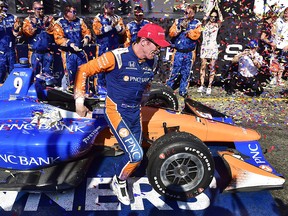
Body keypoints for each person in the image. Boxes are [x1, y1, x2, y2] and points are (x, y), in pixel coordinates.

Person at [74, 23, 170, 205]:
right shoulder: (116, 57)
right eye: (156, 45)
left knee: (133, 152)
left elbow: (147, 82)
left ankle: (120, 175)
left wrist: (146, 96)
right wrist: (80, 101)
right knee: (136, 155)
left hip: (135, 112)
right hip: (116, 110)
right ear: (143, 41)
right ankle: (119, 182)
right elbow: (84, 70)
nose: (158, 50)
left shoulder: (153, 61)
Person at [166, 4, 201, 98]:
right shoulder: (178, 21)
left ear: (193, 13)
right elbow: (171, 33)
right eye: (186, 12)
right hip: (178, 51)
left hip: (189, 52)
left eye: (189, 12)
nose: (186, 14)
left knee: (186, 73)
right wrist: (180, 28)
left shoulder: (197, 23)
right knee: (174, 71)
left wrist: (188, 30)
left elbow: (196, 35)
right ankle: (168, 89)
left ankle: (183, 91)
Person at [53, 5, 91, 90]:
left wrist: (86, 38)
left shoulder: (80, 21)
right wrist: (70, 44)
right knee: (69, 75)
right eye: (72, 12)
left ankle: (84, 91)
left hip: (80, 52)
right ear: (66, 13)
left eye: (75, 12)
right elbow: (58, 38)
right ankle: (69, 92)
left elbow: (87, 32)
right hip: (67, 53)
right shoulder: (59, 23)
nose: (74, 14)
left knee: (84, 72)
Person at [92, 1, 126, 94]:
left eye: (114, 8)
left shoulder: (118, 18)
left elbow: (123, 31)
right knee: (102, 67)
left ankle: (112, 87)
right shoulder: (98, 18)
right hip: (103, 47)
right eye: (111, 8)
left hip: (114, 47)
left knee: (115, 67)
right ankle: (100, 86)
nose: (113, 10)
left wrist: (117, 26)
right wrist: (111, 26)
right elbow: (97, 31)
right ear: (105, 8)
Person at [23, 1, 55, 77]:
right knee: (34, 75)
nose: (41, 11)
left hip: (47, 52)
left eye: (42, 9)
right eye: (38, 9)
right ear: (33, 9)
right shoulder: (28, 20)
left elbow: (54, 31)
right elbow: (27, 33)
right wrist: (34, 25)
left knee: (48, 75)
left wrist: (47, 25)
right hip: (35, 52)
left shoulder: (49, 19)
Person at [198, 2, 223, 95]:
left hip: (213, 47)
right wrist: (212, 7)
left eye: (215, 17)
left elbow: (221, 19)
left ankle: (209, 86)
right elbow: (205, 17)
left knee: (212, 67)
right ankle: (202, 85)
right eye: (212, 16)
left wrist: (217, 8)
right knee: (203, 66)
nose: (213, 18)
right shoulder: (204, 24)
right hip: (205, 46)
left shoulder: (217, 25)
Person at [0, 0, 22, 84]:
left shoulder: (13, 17)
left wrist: (16, 29)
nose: (3, 9)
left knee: (14, 74)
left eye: (4, 7)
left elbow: (18, 35)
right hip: (0, 51)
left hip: (11, 50)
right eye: (1, 7)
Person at [270, 7, 288, 86]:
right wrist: (272, 43)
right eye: (285, 12)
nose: (286, 14)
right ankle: (273, 79)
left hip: (285, 46)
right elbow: (273, 31)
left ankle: (279, 80)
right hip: (276, 45)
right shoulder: (278, 21)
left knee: (282, 64)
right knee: (274, 63)